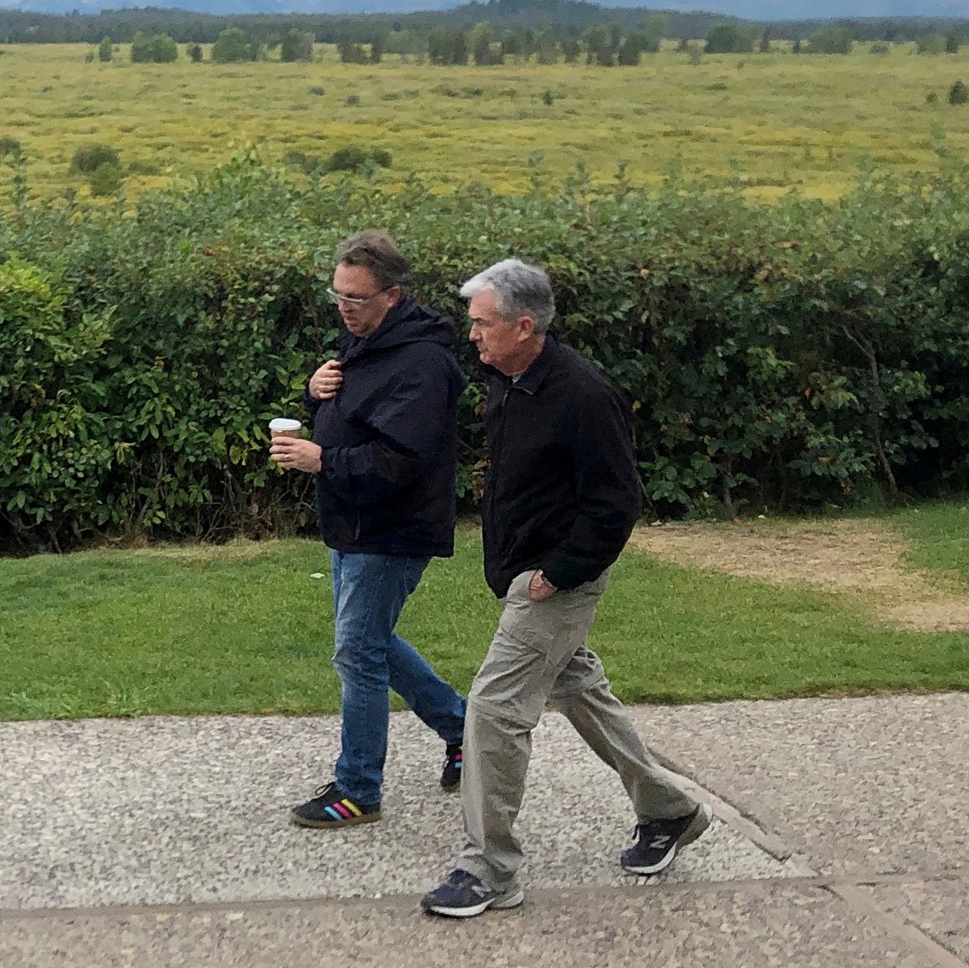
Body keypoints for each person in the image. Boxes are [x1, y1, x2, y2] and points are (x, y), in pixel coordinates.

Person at [420, 258, 710, 919]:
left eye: (482, 324)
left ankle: (490, 868)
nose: (473, 337)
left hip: (555, 582)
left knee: (493, 710)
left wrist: (558, 573)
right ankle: (669, 811)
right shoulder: (507, 376)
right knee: (578, 685)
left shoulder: (583, 394)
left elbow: (615, 502)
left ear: (526, 326)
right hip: (524, 574)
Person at [271, 230, 468, 829]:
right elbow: (352, 413)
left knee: (357, 652)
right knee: (372, 644)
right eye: (337, 296)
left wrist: (321, 460)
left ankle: (358, 790)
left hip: (392, 528)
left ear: (393, 294)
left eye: (356, 299)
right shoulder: (365, 342)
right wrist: (317, 392)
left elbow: (401, 460)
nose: (344, 308)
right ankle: (465, 731)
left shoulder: (424, 362)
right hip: (352, 522)